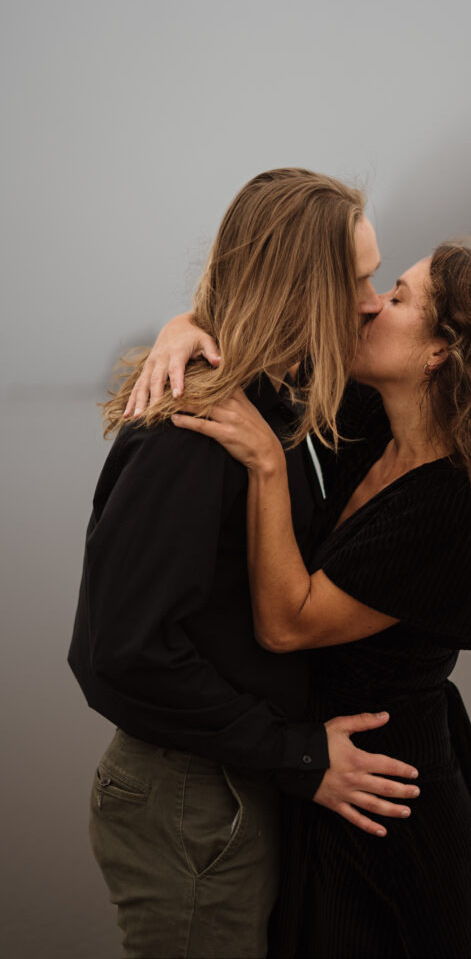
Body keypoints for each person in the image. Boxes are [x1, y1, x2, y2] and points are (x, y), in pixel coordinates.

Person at [150, 238, 471, 957]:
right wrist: (184, 325)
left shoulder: (455, 504)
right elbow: (262, 338)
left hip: (383, 796)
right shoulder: (370, 416)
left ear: (440, 351)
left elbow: (287, 625)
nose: (372, 304)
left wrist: (264, 464)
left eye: (400, 298)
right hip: (324, 767)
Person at [68, 168, 423, 959]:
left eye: (376, 275)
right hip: (189, 796)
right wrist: (297, 756)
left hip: (228, 780)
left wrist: (190, 317)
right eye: (356, 278)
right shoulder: (197, 430)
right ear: (294, 286)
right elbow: (117, 655)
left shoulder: (283, 401)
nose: (371, 300)